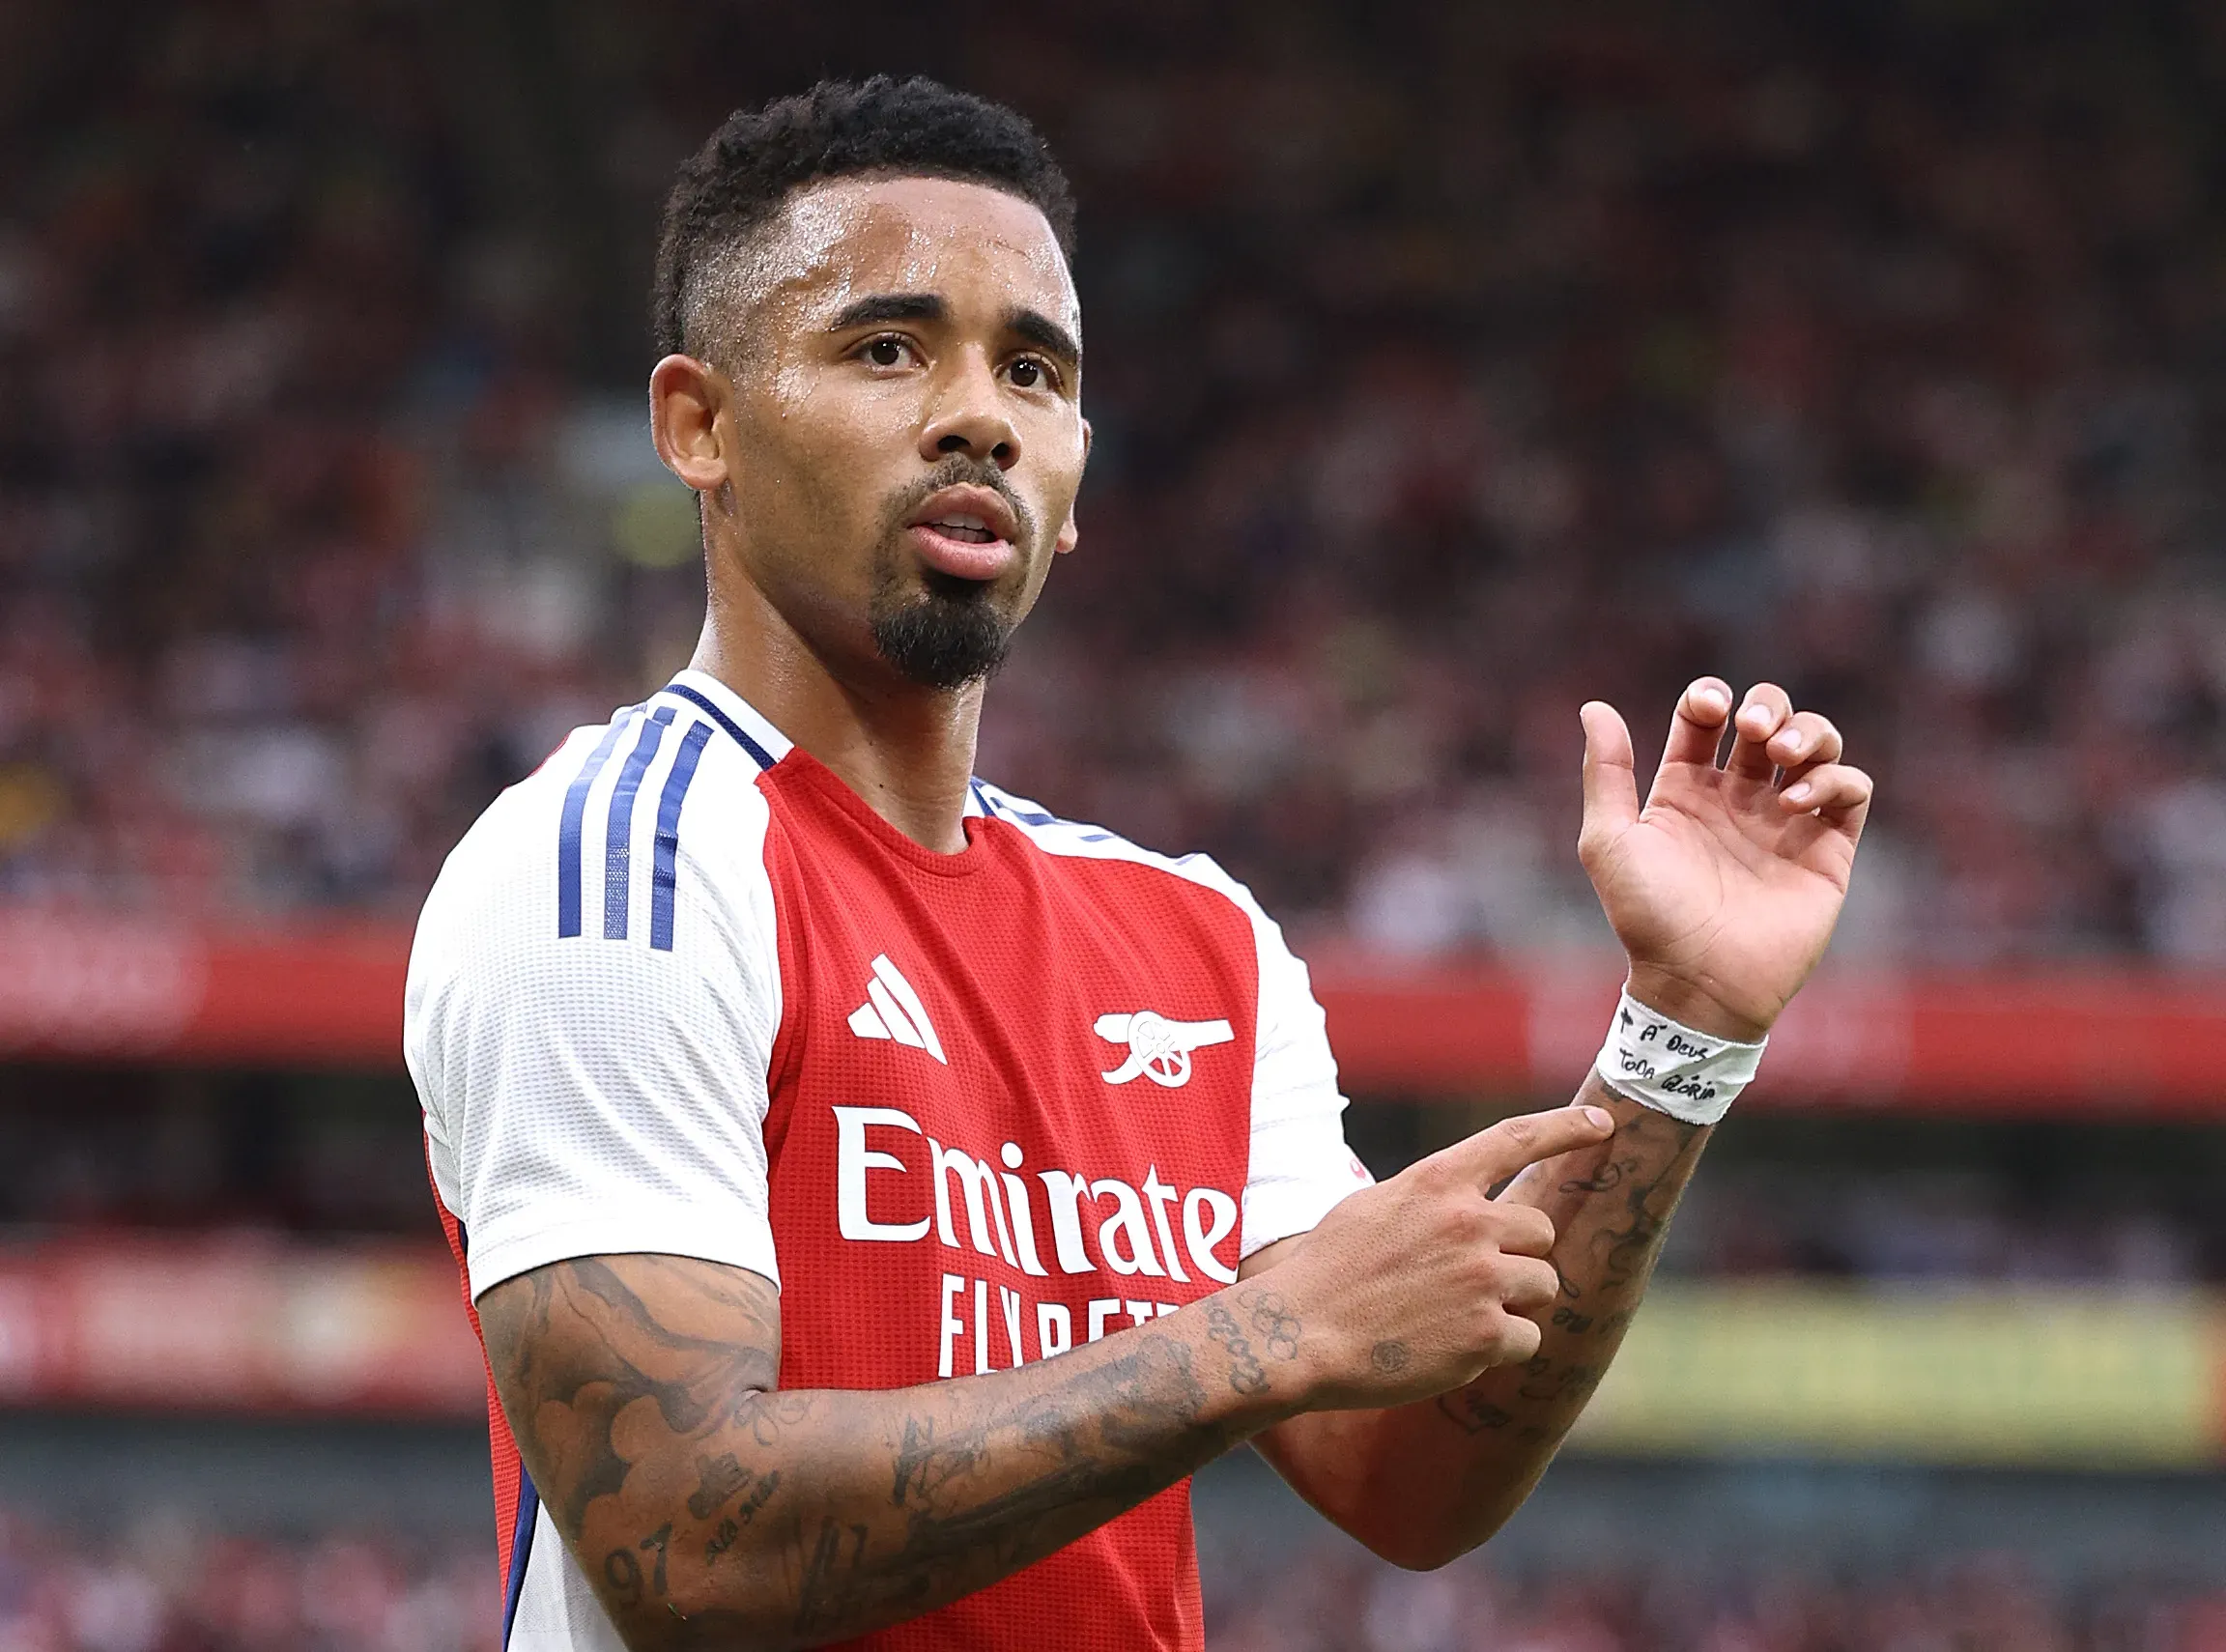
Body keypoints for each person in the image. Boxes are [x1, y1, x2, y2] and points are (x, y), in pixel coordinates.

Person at [404, 75, 1872, 1652]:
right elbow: (687, 1544)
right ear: (699, 426)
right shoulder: (611, 868)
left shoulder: (1197, 940)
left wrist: (1685, 1033)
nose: (978, 412)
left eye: (1032, 371)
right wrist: (1257, 1338)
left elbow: (1415, 1478)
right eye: (888, 346)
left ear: (1076, 474)